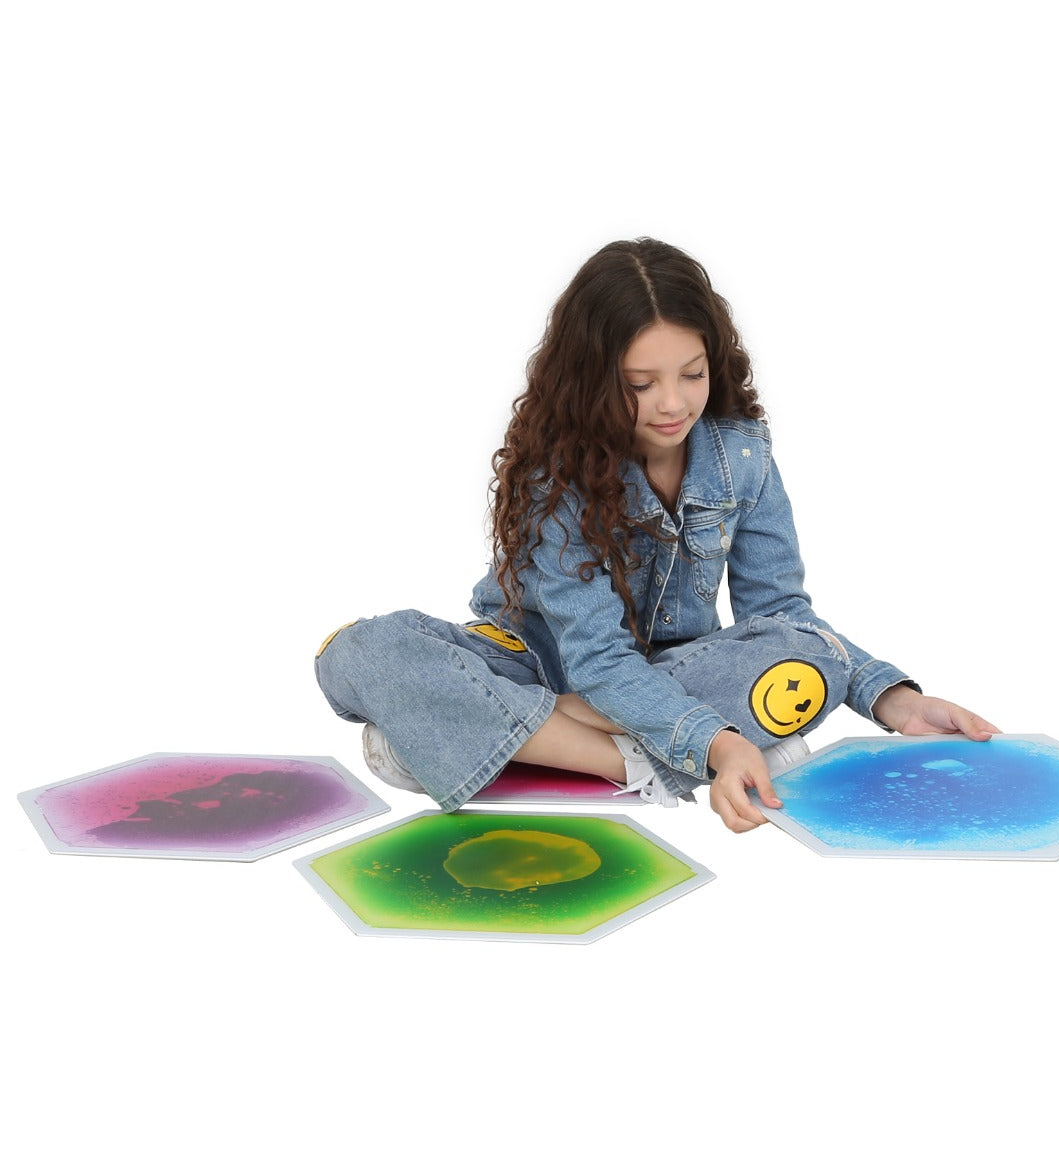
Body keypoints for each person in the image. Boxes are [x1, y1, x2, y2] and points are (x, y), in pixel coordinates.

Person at [315, 239, 998, 833]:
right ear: (589, 383)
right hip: (534, 665)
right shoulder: (556, 474)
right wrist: (719, 744)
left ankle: (496, 735)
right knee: (364, 650)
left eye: (692, 375)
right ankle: (630, 756)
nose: (672, 404)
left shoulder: (744, 456)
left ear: (715, 362)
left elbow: (782, 616)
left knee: (806, 656)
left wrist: (894, 700)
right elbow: (598, 658)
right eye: (640, 384)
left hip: (676, 674)